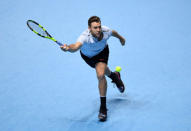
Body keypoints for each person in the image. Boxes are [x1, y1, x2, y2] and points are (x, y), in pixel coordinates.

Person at [60, 16, 125, 121]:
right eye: (95, 27)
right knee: (103, 70)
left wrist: (122, 38)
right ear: (89, 28)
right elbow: (75, 46)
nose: (98, 29)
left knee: (100, 74)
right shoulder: (84, 37)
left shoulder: (106, 31)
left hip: (102, 53)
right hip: (88, 57)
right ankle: (115, 76)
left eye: (99, 26)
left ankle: (103, 108)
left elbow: (114, 32)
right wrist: (68, 48)